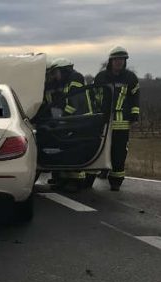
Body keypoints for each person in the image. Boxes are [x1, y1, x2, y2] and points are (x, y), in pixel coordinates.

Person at [94, 46, 140, 191]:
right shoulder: (101, 77)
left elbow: (135, 97)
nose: (119, 62)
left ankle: (116, 181)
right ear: (111, 61)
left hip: (122, 123)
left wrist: (134, 113)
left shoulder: (130, 78)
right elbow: (94, 96)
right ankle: (99, 171)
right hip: (103, 121)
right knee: (99, 149)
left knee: (119, 153)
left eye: (122, 59)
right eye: (116, 59)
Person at [48, 58, 92, 192]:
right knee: (67, 148)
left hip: (81, 120)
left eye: (56, 72)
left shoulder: (75, 79)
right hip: (74, 121)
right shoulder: (68, 81)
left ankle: (77, 180)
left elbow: (74, 104)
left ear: (64, 70)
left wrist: (61, 118)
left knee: (76, 151)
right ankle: (65, 179)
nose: (55, 76)